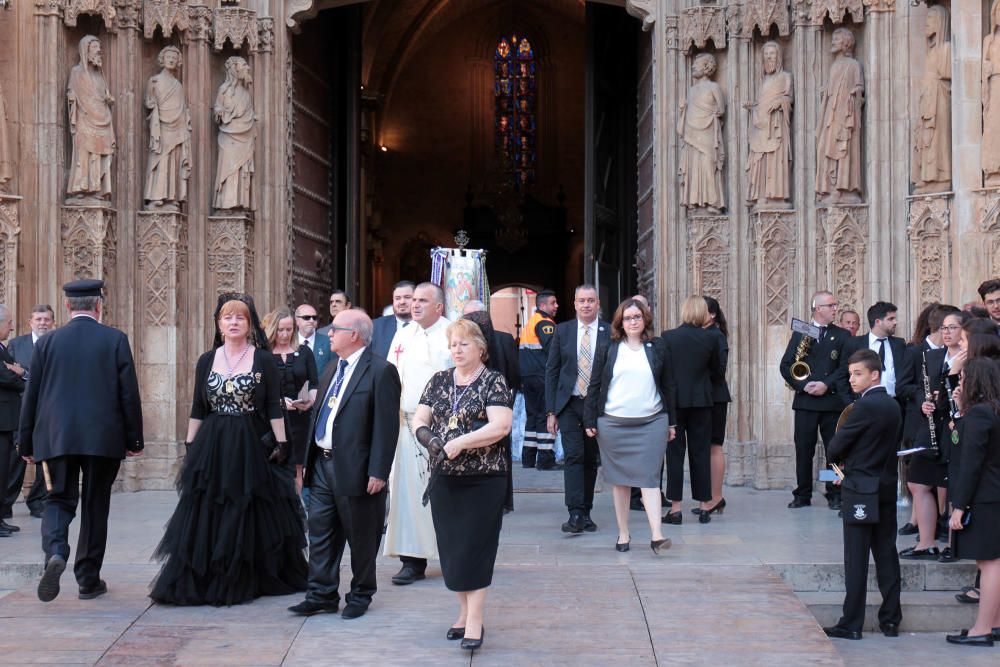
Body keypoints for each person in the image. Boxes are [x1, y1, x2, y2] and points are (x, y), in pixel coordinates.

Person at [150, 294, 307, 606]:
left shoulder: (262, 359)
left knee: (248, 505)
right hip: (214, 442)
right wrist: (190, 445)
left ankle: (248, 574)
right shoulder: (207, 360)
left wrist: (282, 444)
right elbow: (198, 407)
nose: (233, 323)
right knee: (209, 506)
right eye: (227, 318)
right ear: (219, 324)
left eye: (240, 318)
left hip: (250, 440)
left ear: (250, 325)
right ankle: (207, 575)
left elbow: (273, 407)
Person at [18, 280, 144, 602]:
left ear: (67, 307)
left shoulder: (47, 343)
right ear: (99, 306)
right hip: (103, 438)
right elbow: (128, 393)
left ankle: (56, 552)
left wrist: (26, 443)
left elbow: (31, 395)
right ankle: (88, 579)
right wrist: (134, 438)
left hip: (56, 436)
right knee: (95, 504)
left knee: (57, 499)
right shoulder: (115, 339)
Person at [288, 309, 401, 620]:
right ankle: (321, 593)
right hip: (322, 465)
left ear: (354, 334)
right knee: (321, 532)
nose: (328, 333)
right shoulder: (331, 368)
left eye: (335, 328)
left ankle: (361, 594)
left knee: (361, 535)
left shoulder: (380, 371)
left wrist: (379, 470)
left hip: (357, 468)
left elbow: (387, 426)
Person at [411, 318, 514, 650]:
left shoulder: (493, 381)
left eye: (464, 344)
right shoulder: (439, 380)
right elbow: (420, 418)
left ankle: (475, 619)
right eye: (453, 344)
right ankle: (462, 611)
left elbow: (501, 426)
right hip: (445, 478)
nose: (457, 349)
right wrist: (430, 439)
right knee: (453, 550)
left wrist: (463, 442)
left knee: (476, 548)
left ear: (480, 349)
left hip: (484, 479)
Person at [583, 298, 675, 553]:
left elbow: (668, 385)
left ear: (645, 318)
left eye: (637, 317)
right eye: (627, 318)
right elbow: (594, 385)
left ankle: (657, 535)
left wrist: (672, 421)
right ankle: (623, 533)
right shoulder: (609, 347)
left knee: (649, 478)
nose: (632, 322)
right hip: (613, 423)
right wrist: (590, 418)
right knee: (620, 481)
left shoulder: (657, 346)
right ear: (619, 322)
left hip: (653, 421)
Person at [823, 349, 903, 641]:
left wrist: (841, 458)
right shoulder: (893, 405)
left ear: (874, 375)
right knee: (886, 554)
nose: (852, 379)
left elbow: (834, 447)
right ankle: (891, 620)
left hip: (859, 489)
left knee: (856, 559)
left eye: (858, 374)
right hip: (884, 488)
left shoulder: (865, 407)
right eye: (850, 374)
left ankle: (851, 623)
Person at [383, 282, 452, 584]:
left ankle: (453, 556)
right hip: (404, 425)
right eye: (414, 300)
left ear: (439, 307)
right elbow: (389, 376)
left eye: (423, 300)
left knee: (446, 494)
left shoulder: (454, 333)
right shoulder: (403, 334)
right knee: (407, 496)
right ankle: (412, 561)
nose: (415, 305)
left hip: (443, 427)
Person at [545, 284, 609, 534]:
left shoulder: (608, 332)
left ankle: (586, 511)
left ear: (598, 303)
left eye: (590, 301)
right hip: (569, 403)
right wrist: (551, 411)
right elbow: (552, 370)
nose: (586, 305)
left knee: (591, 459)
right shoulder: (563, 331)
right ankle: (574, 512)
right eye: (581, 301)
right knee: (574, 455)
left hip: (595, 404)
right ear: (574, 304)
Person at [946, 357, 1000, 646]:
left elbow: (970, 463)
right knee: (993, 562)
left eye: (964, 377)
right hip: (993, 495)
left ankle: (982, 630)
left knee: (990, 564)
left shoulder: (980, 415)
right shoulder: (989, 411)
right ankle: (995, 623)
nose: (960, 382)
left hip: (984, 498)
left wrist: (959, 506)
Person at [896, 304, 956, 559]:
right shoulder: (923, 354)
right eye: (946, 328)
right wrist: (923, 400)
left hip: (952, 427)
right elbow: (910, 386)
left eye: (954, 328)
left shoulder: (967, 356)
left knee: (953, 487)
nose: (948, 333)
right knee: (918, 480)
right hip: (926, 424)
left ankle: (953, 544)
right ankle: (926, 542)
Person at [779, 290, 849, 509]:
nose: (835, 309)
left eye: (835, 305)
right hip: (806, 402)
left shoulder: (842, 335)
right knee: (804, 449)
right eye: (831, 305)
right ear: (818, 308)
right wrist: (803, 385)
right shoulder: (802, 332)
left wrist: (826, 384)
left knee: (833, 450)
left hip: (832, 402)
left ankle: (834, 491)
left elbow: (844, 367)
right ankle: (803, 493)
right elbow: (786, 365)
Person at [661, 296, 723, 523]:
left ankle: (675, 509)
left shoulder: (668, 337)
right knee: (700, 453)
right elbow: (717, 372)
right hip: (702, 402)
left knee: (675, 455)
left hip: (675, 404)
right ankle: (704, 505)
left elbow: (663, 372)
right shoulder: (711, 338)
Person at [463, 304, 520, 512]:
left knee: (499, 451)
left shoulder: (503, 339)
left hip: (496, 406)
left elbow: (514, 372)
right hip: (487, 405)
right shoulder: (466, 343)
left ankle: (500, 499)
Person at [2, 304, 54, 520]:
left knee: (45, 457)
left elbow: (54, 378)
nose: (42, 323)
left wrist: (24, 372)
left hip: (48, 411)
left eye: (46, 319)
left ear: (53, 322)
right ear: (30, 322)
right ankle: (6, 503)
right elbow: (7, 375)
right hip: (20, 411)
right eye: (38, 319)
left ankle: (38, 501)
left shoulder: (57, 344)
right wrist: (23, 376)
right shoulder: (15, 344)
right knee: (16, 458)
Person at [263, 307, 318, 494]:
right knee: (273, 463)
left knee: (297, 468)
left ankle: (296, 511)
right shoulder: (263, 355)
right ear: (272, 329)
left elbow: (314, 383)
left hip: (300, 419)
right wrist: (278, 404)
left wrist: (311, 399)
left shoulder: (304, 352)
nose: (285, 334)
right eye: (280, 330)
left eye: (289, 329)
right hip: (273, 419)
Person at [697, 296, 731, 517]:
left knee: (714, 446)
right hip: (705, 396)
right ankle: (710, 497)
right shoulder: (704, 334)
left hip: (714, 397)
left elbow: (719, 370)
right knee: (707, 447)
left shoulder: (716, 336)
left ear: (711, 314)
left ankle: (716, 496)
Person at [518, 289, 558, 469]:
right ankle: (546, 460)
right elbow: (553, 351)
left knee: (533, 417)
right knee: (544, 415)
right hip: (542, 376)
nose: (556, 306)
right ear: (543, 305)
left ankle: (528, 459)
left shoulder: (531, 322)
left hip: (528, 377)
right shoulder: (544, 323)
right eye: (553, 303)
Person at [839, 302, 906, 401]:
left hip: (895, 403)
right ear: (878, 322)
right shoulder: (854, 344)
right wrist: (850, 403)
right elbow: (842, 376)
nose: (895, 322)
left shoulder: (899, 344)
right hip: (863, 403)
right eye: (890, 319)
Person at [0, 304, 25, 538]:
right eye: (8, 323)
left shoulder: (2, 347)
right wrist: (16, 374)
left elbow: (15, 371)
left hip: (7, 421)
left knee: (4, 470)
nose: (12, 327)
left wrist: (16, 371)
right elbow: (5, 376)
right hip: (1, 421)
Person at [371, 281, 415, 359]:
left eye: (407, 297)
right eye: (397, 298)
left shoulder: (425, 325)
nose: (402, 302)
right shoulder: (376, 326)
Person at [295, 303, 332, 377]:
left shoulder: (328, 342)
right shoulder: (289, 342)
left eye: (314, 318)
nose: (311, 320)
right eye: (307, 317)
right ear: (297, 320)